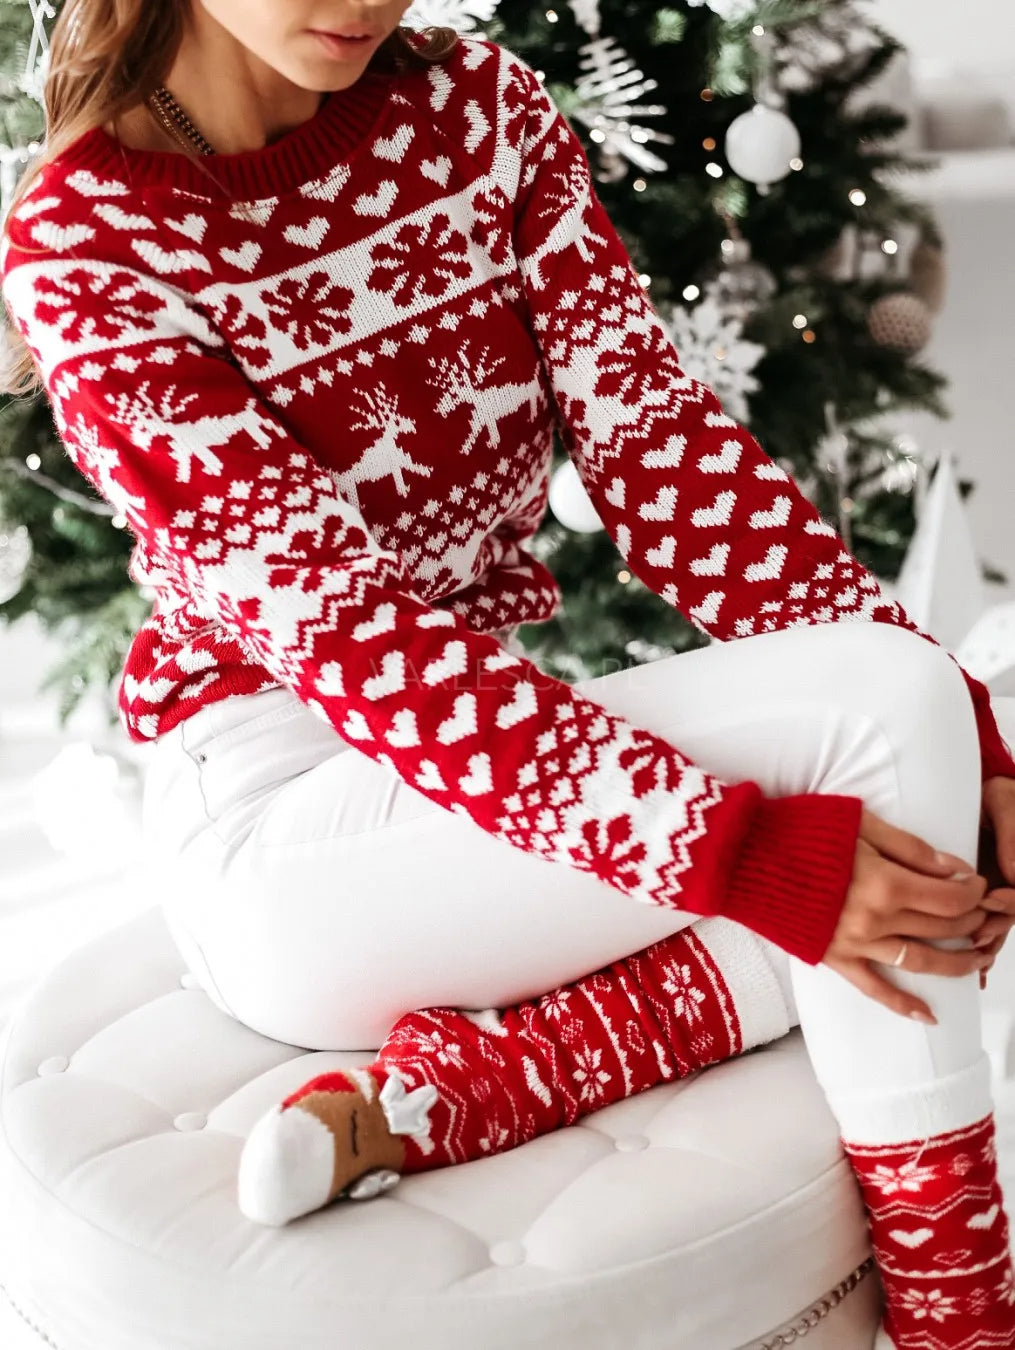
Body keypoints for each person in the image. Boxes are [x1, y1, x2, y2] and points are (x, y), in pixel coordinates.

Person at [3, 2, 1015, 1344]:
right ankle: (970, 1322)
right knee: (884, 737)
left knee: (910, 816)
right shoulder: (84, 241)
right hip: (286, 844)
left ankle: (461, 1090)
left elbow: (666, 459)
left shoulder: (479, 108)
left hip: (481, 807)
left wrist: (970, 740)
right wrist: (765, 840)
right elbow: (361, 645)